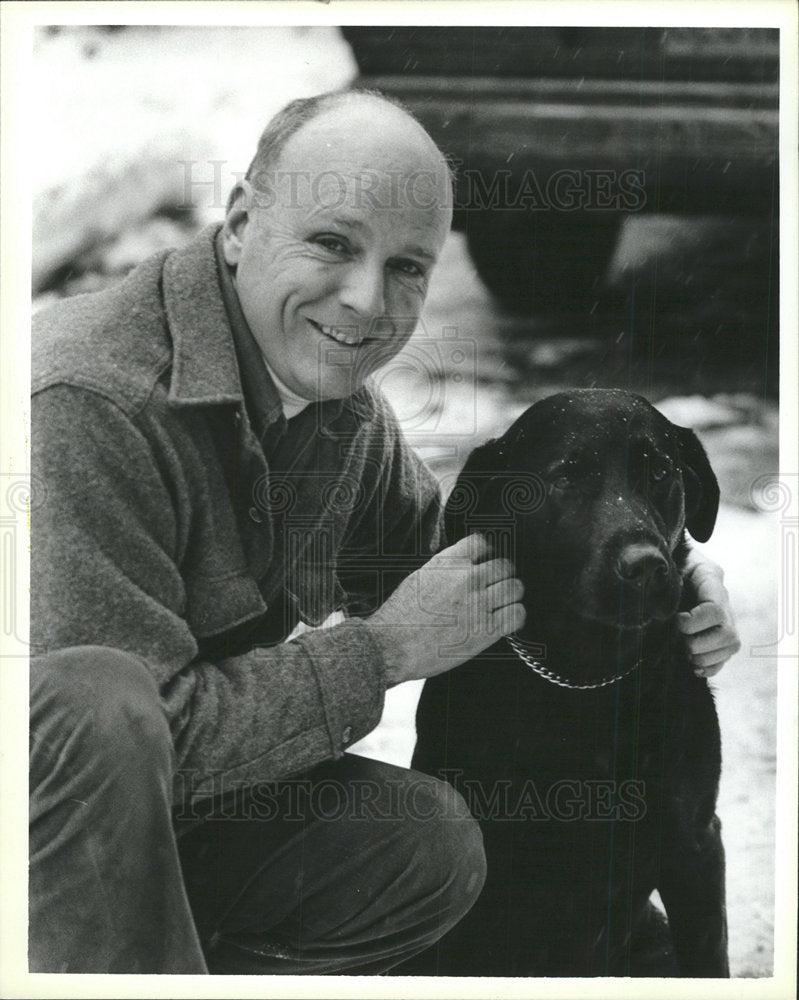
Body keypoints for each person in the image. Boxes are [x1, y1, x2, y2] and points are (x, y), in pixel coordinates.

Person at [29, 89, 740, 975]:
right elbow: (119, 753)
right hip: (41, 839)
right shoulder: (84, 405)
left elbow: (468, 580)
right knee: (102, 699)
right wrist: (381, 652)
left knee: (422, 843)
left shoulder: (340, 420)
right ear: (244, 221)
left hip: (180, 825)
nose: (367, 298)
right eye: (332, 242)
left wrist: (662, 578)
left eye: (408, 266)